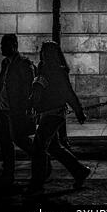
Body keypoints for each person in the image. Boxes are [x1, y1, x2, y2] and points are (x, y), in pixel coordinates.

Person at [26, 40, 91, 196]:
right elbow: (39, 88)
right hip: (47, 113)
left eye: (48, 52)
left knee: (38, 148)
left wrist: (79, 111)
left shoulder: (57, 71)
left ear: (54, 54)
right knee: (54, 147)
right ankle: (79, 171)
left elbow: (68, 93)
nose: (45, 55)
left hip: (54, 114)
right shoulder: (43, 69)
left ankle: (37, 183)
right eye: (44, 52)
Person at [0, 34, 36, 187]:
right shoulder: (5, 63)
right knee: (5, 142)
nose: (2, 48)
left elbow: (30, 88)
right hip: (2, 110)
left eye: (5, 44)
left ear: (14, 45)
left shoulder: (24, 64)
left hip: (15, 110)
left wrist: (27, 108)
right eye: (2, 44)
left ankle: (42, 162)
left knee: (20, 139)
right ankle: (8, 174)